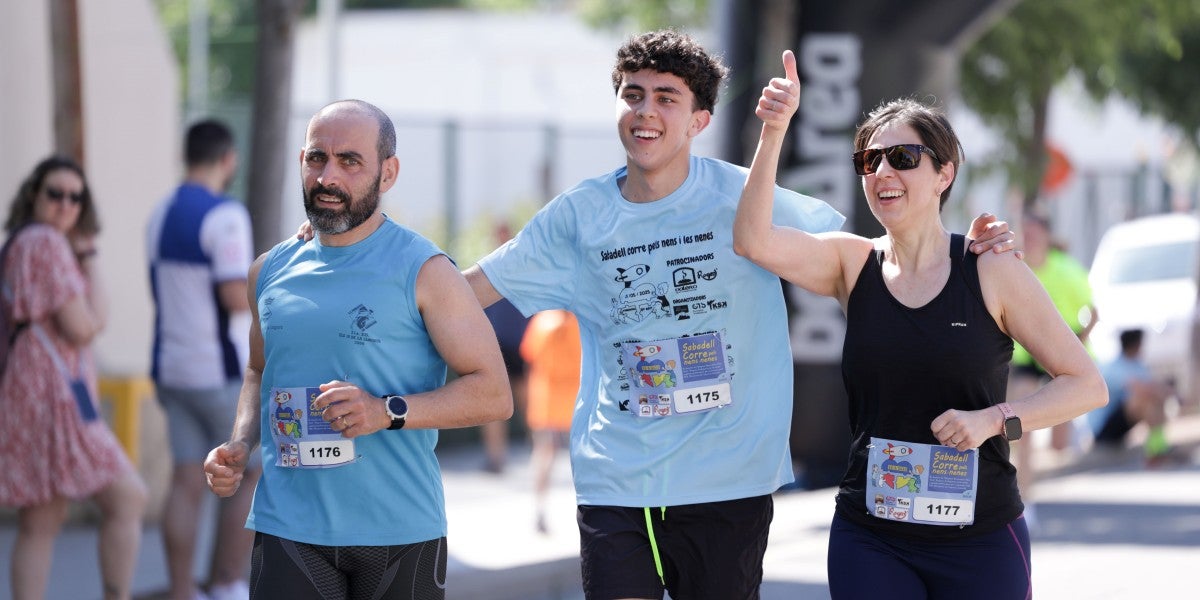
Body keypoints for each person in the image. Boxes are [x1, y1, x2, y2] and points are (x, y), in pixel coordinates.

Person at [457, 30, 1015, 599]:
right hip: (617, 479)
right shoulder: (578, 215)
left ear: (699, 120)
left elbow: (872, 254)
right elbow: (468, 292)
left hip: (728, 481)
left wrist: (959, 252)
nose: (645, 111)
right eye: (633, 95)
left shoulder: (745, 196)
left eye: (666, 98)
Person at [732, 51, 1107, 598]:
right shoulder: (850, 263)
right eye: (870, 159)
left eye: (903, 157)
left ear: (944, 173)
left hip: (979, 536)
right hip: (871, 534)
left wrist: (996, 420)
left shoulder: (992, 268)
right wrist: (774, 130)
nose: (883, 171)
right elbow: (753, 241)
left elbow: (1086, 384)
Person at [202, 99, 512, 599]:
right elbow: (260, 371)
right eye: (315, 158)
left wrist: (383, 411)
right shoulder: (268, 270)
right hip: (290, 526)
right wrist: (240, 443)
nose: (327, 176)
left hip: (399, 533)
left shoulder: (427, 270)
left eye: (350, 161)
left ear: (387, 173)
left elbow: (494, 393)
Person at [0, 156, 149, 600]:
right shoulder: (46, 243)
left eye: (75, 196)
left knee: (40, 518)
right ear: (34, 196)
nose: (65, 204)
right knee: (129, 497)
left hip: (33, 387)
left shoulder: (21, 242)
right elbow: (85, 324)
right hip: (54, 392)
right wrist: (88, 256)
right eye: (55, 193)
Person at [147, 119, 260, 600]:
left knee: (185, 479)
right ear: (227, 159)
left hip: (171, 367)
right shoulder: (225, 215)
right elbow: (236, 295)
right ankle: (227, 583)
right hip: (218, 372)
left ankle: (179, 590)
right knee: (248, 471)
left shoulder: (160, 212)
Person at [1006, 211, 1098, 528]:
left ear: (1045, 236)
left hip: (1062, 358)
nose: (1028, 239)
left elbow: (1094, 311)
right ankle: (1024, 499)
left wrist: (1077, 344)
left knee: (1060, 445)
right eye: (1024, 233)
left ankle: (1073, 429)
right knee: (1021, 425)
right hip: (1027, 358)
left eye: (1033, 234)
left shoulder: (1067, 270)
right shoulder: (1015, 266)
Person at [519, 309, 581, 534]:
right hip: (573, 400)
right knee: (579, 459)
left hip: (546, 401)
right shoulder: (579, 322)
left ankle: (540, 510)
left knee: (544, 455)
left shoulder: (541, 320)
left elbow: (529, 358)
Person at [1090, 328, 1180, 466]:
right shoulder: (1114, 367)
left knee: (1153, 401)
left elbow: (1153, 387)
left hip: (1122, 423)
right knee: (1144, 399)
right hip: (1104, 429)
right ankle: (1157, 448)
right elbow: (1142, 389)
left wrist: (1165, 394)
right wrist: (1168, 393)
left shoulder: (1138, 365)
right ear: (1135, 344)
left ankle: (1158, 448)